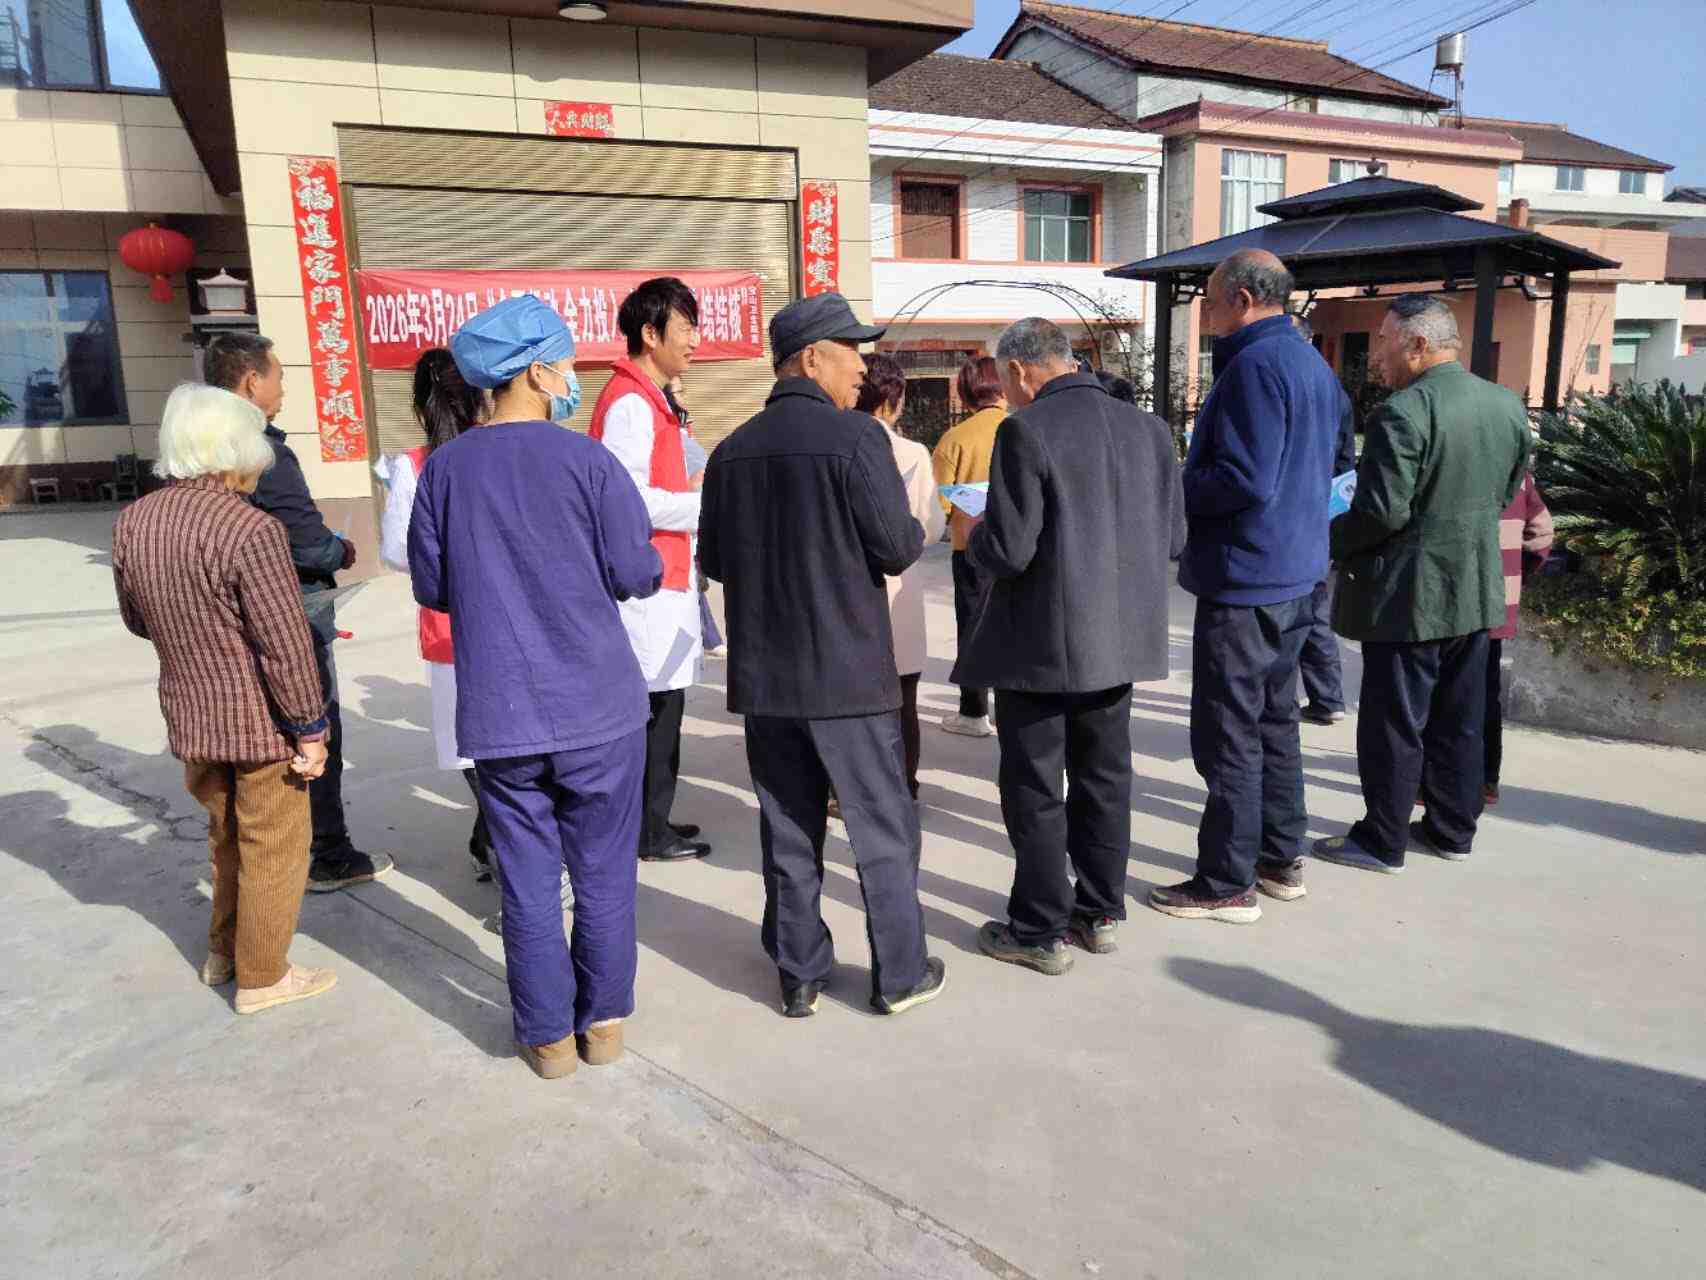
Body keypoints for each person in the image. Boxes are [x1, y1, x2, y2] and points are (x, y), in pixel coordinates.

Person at [410, 295, 663, 1080]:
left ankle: (548, 1039)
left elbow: (433, 584)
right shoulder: (589, 462)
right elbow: (637, 571)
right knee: (603, 873)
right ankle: (604, 1026)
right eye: (563, 362)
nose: (570, 375)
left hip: (501, 713)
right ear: (534, 370)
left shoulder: (444, 469)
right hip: (599, 708)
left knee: (526, 880)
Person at [699, 292, 944, 1020]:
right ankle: (900, 973)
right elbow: (897, 546)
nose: (862, 370)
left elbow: (715, 560)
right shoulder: (858, 439)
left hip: (768, 679)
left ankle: (799, 972)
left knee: (788, 826)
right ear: (811, 357)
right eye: (852, 353)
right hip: (850, 675)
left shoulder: (731, 450)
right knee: (881, 828)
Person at [959, 318, 1184, 974]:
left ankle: (1038, 928)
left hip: (1041, 646)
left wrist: (975, 532)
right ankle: (1100, 910)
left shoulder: (1025, 430)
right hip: (1121, 641)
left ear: (1020, 371)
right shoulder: (1151, 431)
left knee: (1035, 786)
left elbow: (1010, 549)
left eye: (1006, 379)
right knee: (1105, 779)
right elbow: (1173, 538)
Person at [111, 383, 336, 1014]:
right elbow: (285, 646)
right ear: (237, 449)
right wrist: (310, 728)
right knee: (273, 846)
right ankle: (263, 977)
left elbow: (136, 620)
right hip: (261, 724)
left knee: (227, 838)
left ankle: (225, 953)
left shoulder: (135, 521)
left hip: (191, 714)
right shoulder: (251, 528)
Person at [1149, 251, 1344, 925]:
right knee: (1274, 721)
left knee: (1229, 732)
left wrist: (1177, 487)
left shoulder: (1254, 367)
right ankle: (1279, 857)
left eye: (1208, 299)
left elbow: (1243, 478)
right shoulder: (1311, 363)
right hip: (1294, 569)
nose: (1204, 312)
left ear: (1240, 298)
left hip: (1248, 577)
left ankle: (1226, 880)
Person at [1312, 295, 1529, 874]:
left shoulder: (1403, 413)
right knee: (1460, 719)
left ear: (1418, 344)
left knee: (1394, 723)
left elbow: (1382, 512)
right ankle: (1452, 830)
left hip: (1408, 598)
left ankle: (1381, 840)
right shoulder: (1505, 404)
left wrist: (1327, 537)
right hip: (1474, 589)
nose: (1377, 355)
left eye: (1384, 341)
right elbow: (1507, 491)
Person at [375, 349, 575, 921]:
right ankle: (504, 853)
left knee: (484, 761)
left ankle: (527, 870)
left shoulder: (418, 465)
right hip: (523, 624)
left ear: (423, 405)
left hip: (452, 636)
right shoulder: (511, 451)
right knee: (525, 753)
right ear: (485, 394)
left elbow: (398, 551)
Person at [204, 332, 394, 895]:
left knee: (257, 741)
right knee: (313, 727)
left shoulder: (201, 449)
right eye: (278, 376)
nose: (283, 388)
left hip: (228, 613)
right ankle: (328, 854)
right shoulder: (262, 453)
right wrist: (341, 550)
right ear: (251, 381)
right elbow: (307, 544)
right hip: (290, 613)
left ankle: (269, 852)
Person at [589, 278, 712, 863]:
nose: (694, 340)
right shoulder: (631, 404)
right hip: (647, 584)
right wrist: (702, 508)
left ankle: (653, 818)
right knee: (655, 712)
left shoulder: (651, 398)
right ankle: (645, 829)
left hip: (665, 576)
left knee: (666, 706)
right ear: (650, 333)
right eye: (684, 328)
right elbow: (629, 499)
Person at [859, 353, 947, 798]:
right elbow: (931, 527)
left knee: (855, 701)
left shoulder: (838, 445)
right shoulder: (912, 453)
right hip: (901, 588)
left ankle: (851, 790)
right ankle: (904, 786)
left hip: (850, 589)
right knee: (903, 698)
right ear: (892, 400)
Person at [932, 355, 1006, 738]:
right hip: (1023, 549)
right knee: (1019, 627)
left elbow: (939, 505)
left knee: (973, 628)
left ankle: (974, 713)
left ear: (965, 392)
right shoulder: (1026, 427)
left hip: (971, 550)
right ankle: (1015, 710)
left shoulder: (955, 439)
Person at [1294, 314, 1359, 727]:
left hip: (1306, 511)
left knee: (1299, 605)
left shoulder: (1309, 386)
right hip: (1324, 509)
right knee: (1313, 604)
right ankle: (1327, 697)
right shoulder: (1331, 387)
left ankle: (1315, 698)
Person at [1483, 471, 1553, 804]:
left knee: (1441, 692)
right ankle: (1486, 781)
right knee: (1486, 695)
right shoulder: (1518, 475)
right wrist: (1515, 571)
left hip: (1448, 604)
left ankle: (1430, 783)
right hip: (1497, 602)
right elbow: (1542, 534)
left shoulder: (1452, 460)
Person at [667, 374, 726, 660]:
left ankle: (709, 637)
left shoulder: (681, 436)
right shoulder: (672, 439)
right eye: (678, 392)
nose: (684, 399)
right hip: (682, 528)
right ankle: (709, 638)